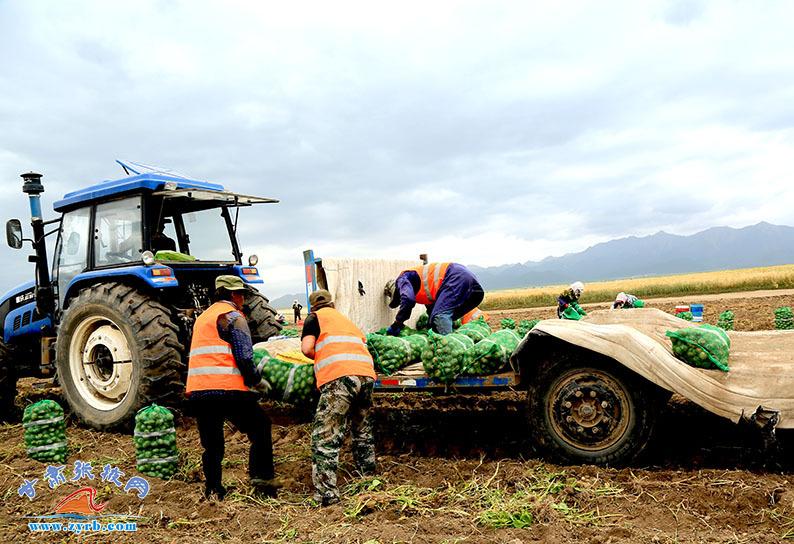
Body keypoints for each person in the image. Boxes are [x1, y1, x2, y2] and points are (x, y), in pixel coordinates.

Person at [185, 275, 278, 500]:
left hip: (199, 390)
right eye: (241, 294)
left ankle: (213, 489)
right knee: (260, 428)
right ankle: (263, 485)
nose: (244, 299)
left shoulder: (203, 318)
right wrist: (257, 381)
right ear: (233, 295)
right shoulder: (233, 316)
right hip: (227, 389)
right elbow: (245, 356)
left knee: (212, 443)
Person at [300, 289, 377, 506]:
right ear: (332, 305)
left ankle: (326, 495)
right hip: (367, 375)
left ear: (313, 306)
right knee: (362, 430)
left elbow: (307, 349)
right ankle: (368, 480)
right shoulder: (345, 320)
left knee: (326, 435)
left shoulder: (314, 318)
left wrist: (322, 356)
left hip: (341, 377)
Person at [384, 262, 484, 335]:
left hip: (454, 276)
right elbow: (433, 308)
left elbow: (408, 300)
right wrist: (432, 325)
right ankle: (454, 342)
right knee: (443, 316)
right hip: (468, 280)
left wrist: (398, 323)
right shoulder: (423, 290)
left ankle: (450, 348)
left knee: (440, 316)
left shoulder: (402, 279)